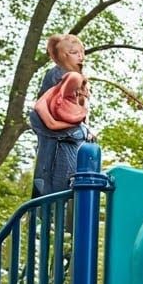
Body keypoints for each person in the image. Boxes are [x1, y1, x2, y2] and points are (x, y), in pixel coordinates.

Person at [30, 33, 93, 196]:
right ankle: (48, 216)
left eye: (81, 52)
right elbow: (42, 107)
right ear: (62, 56)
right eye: (74, 53)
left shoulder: (79, 79)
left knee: (72, 182)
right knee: (53, 183)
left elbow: (80, 112)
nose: (80, 56)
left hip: (73, 141)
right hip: (59, 141)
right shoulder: (59, 75)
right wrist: (56, 124)